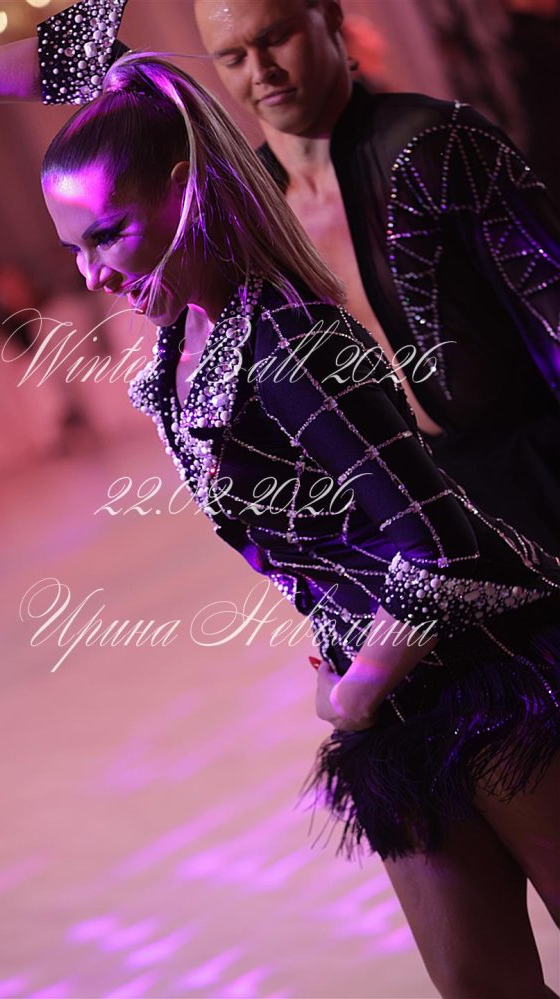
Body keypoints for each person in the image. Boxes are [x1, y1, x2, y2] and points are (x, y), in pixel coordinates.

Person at [34, 48, 560, 997]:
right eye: (72, 246)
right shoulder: (179, 356)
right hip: (395, 701)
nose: (93, 272)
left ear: (186, 188)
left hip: (494, 675)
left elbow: (447, 546)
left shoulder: (285, 339)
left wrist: (356, 688)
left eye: (108, 233)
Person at [0, 0, 559, 554]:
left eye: (276, 37)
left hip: (527, 490)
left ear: (329, 16)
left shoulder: (431, 145)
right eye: (232, 56)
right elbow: (108, 62)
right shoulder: (246, 204)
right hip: (408, 529)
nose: (261, 71)